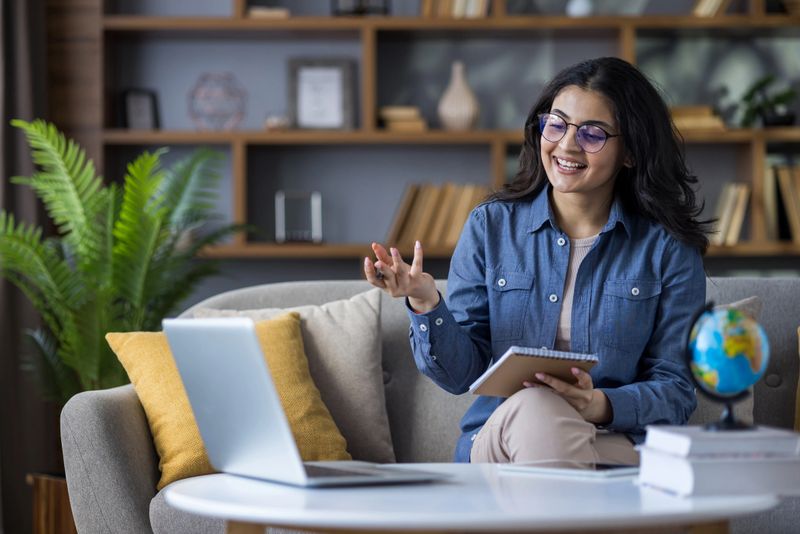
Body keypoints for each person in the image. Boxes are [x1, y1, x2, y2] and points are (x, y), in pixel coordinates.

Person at [364, 57, 709, 465]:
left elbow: (677, 388)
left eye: (593, 134)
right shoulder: (491, 227)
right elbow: (461, 376)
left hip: (613, 443)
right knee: (536, 407)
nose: (566, 145)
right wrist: (425, 302)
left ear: (630, 152)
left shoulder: (667, 247)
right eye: (557, 124)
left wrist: (597, 403)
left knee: (551, 422)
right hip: (502, 441)